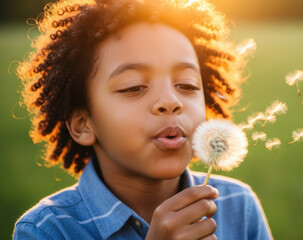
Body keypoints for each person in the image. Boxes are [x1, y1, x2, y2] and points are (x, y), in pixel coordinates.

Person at [12, 0, 272, 239]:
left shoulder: (239, 204)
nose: (171, 101)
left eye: (187, 85)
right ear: (83, 124)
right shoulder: (46, 230)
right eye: (134, 87)